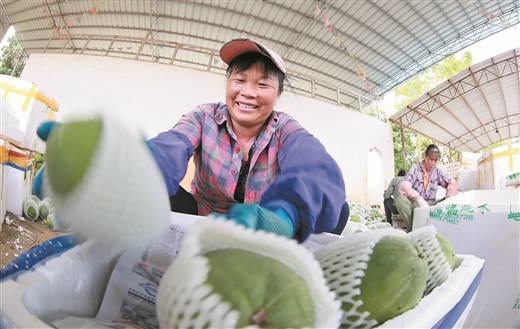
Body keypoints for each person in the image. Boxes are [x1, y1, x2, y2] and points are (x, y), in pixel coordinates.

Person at [147, 38, 349, 242]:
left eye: (262, 84)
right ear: (228, 83)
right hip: (202, 216)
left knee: (338, 210)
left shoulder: (284, 128)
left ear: (278, 94)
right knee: (153, 184)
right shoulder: (204, 116)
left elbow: (313, 163)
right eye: (240, 80)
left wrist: (285, 216)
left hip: (261, 227)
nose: (248, 93)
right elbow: (172, 145)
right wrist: (141, 166)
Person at [394, 144, 458, 232]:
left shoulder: (437, 171)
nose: (433, 163)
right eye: (431, 159)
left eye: (435, 160)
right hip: (416, 205)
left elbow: (452, 182)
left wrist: (449, 196)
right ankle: (413, 228)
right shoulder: (416, 168)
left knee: (451, 198)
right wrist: (418, 199)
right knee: (400, 200)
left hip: (430, 205)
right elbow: (404, 185)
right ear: (425, 156)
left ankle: (440, 228)